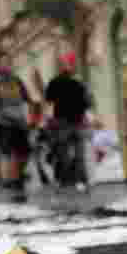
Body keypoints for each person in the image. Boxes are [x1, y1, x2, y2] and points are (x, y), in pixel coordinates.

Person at [0, 58, 36, 202]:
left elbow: (29, 100)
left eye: (8, 62)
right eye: (3, 63)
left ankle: (15, 177)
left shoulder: (17, 81)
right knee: (8, 153)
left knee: (25, 152)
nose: (7, 65)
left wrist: (31, 118)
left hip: (20, 123)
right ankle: (10, 183)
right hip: (3, 124)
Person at [44, 52, 95, 192]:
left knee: (79, 154)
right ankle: (63, 180)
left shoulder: (79, 82)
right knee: (62, 154)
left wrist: (88, 117)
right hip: (61, 123)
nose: (70, 65)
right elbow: (49, 103)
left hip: (77, 122)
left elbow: (87, 101)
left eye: (72, 63)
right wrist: (48, 120)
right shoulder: (55, 82)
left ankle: (80, 181)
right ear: (62, 65)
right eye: (68, 62)